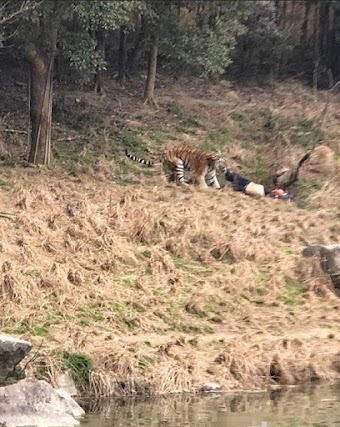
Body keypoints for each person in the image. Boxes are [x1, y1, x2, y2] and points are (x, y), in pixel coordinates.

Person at [224, 168, 293, 201]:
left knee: (237, 178)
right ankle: (228, 173)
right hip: (255, 187)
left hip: (256, 188)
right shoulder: (277, 196)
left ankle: (228, 173)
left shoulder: (277, 196)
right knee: (237, 178)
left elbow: (276, 193)